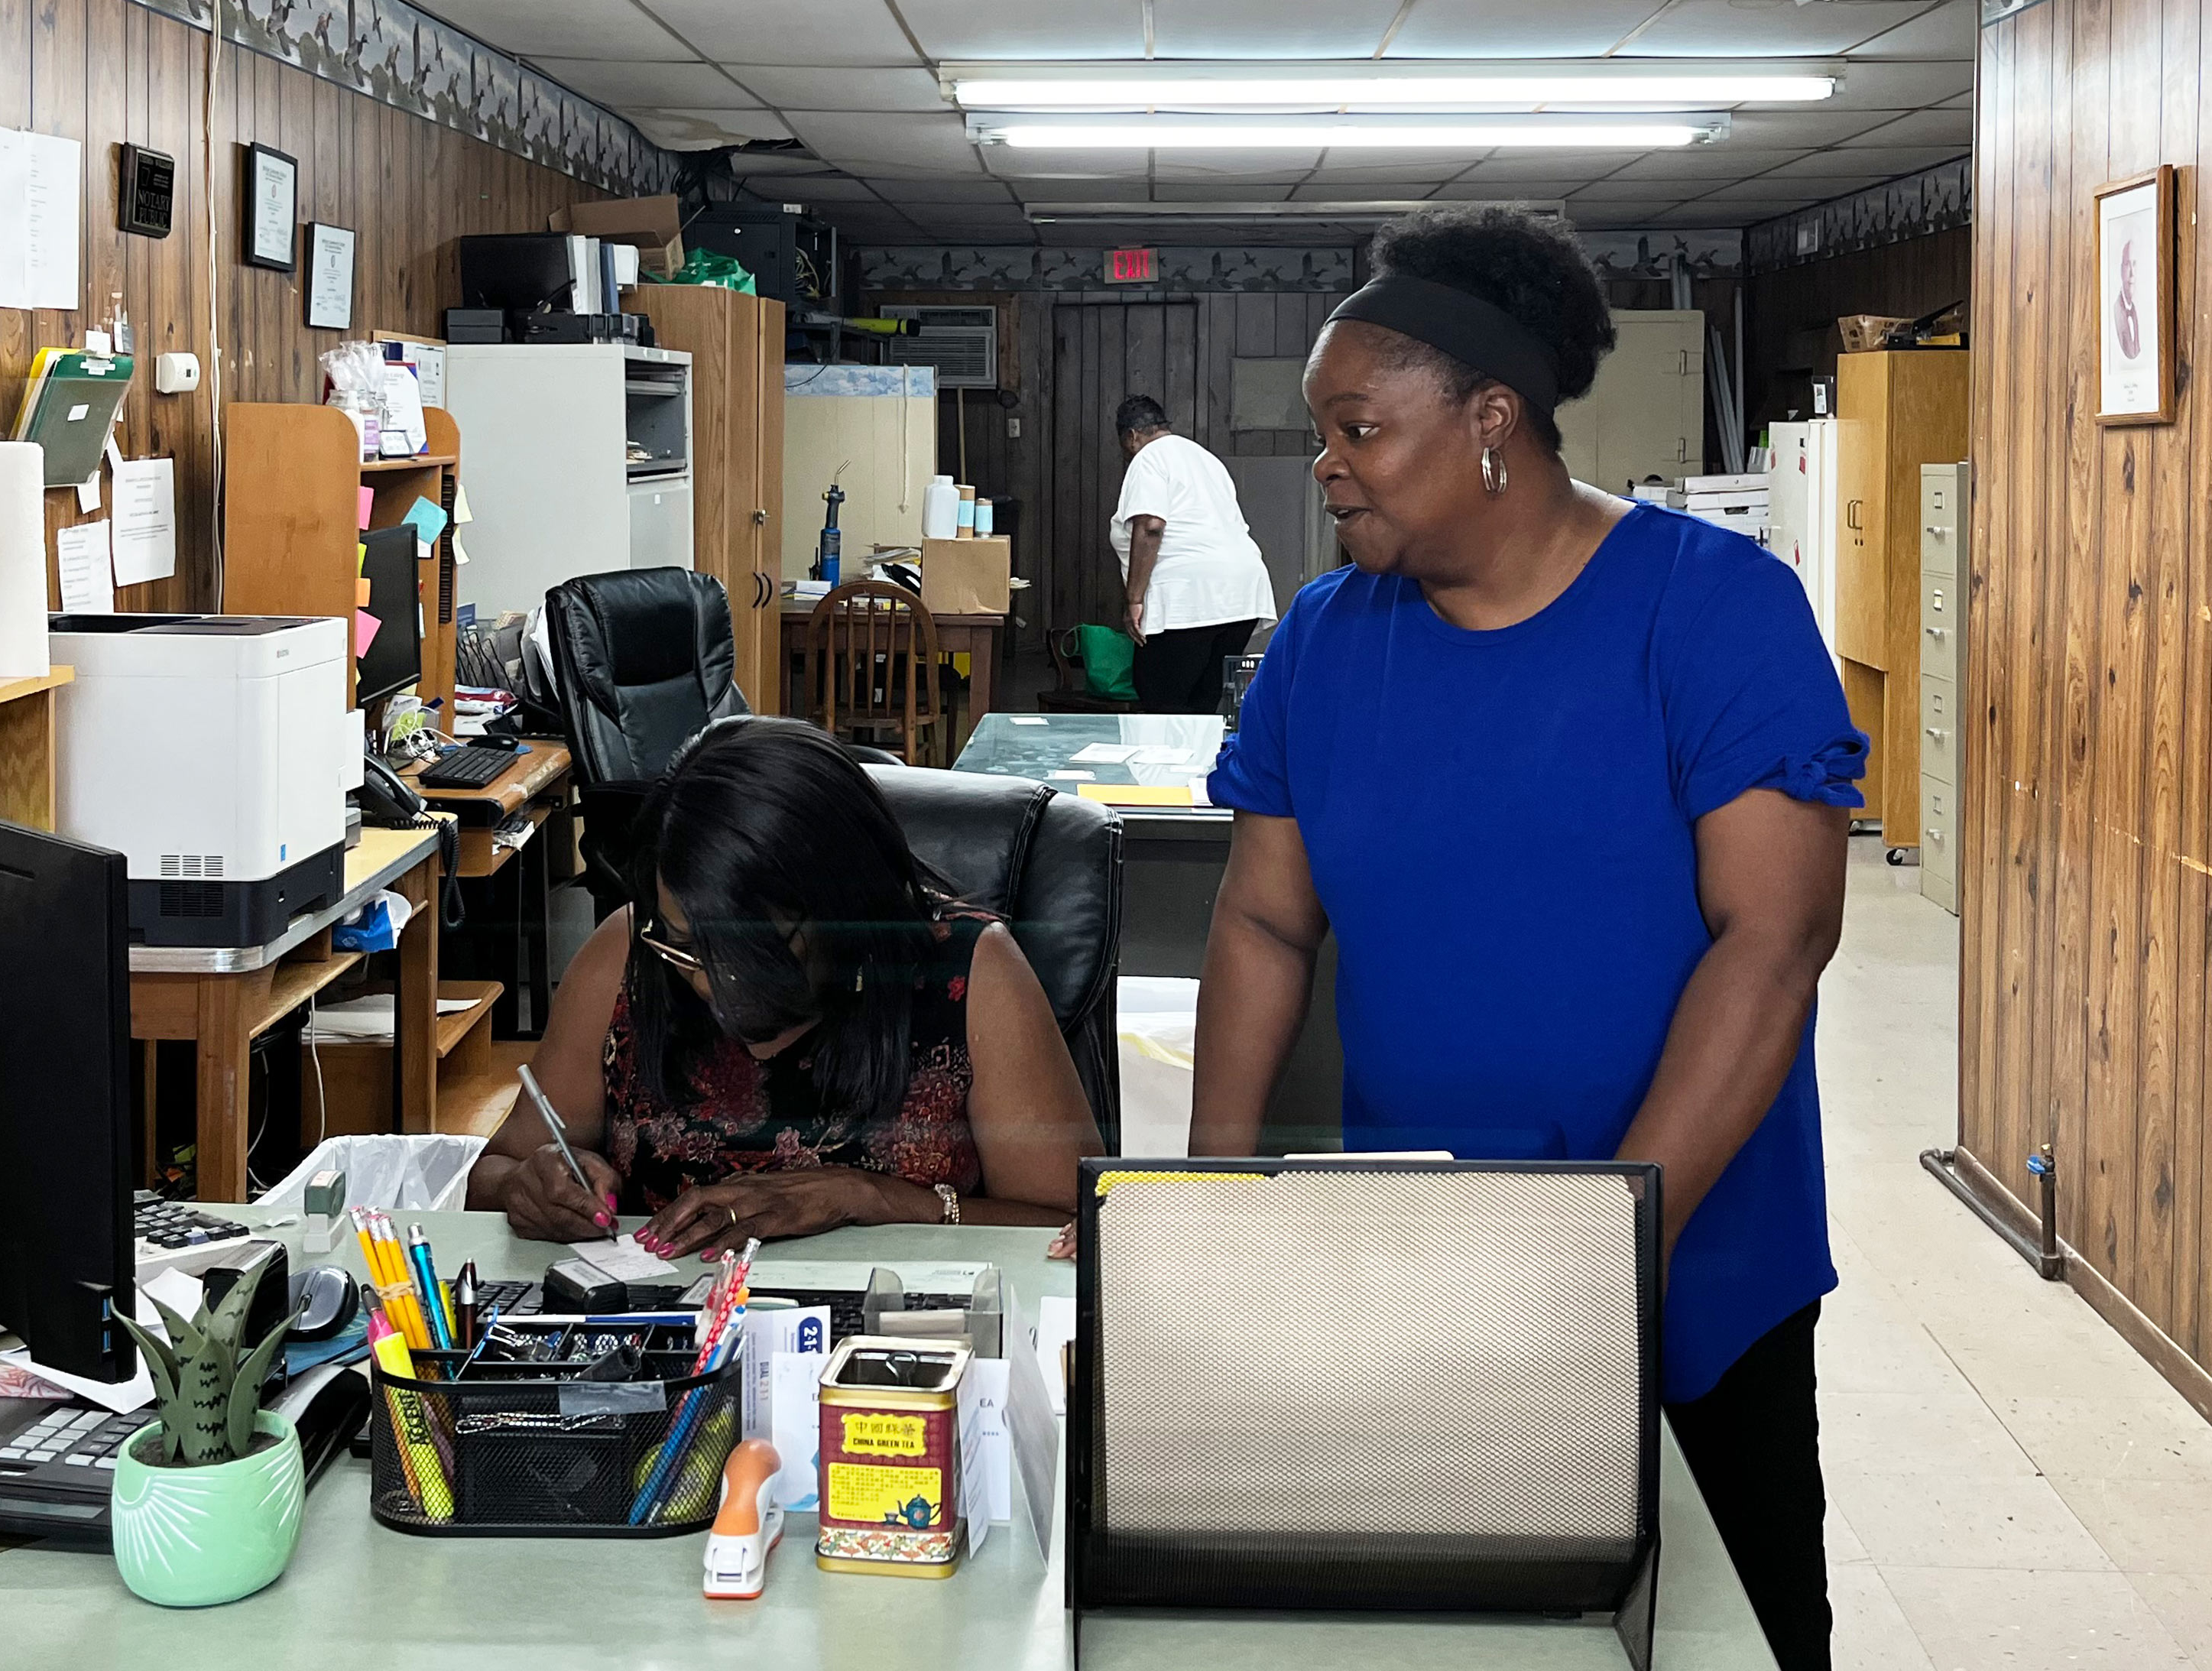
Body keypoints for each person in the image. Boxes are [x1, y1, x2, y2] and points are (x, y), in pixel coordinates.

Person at [1192, 207, 1860, 1671]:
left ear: (1490, 420)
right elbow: (1256, 917)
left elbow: (1773, 942)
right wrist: (1209, 1205)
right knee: (1458, 1632)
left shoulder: (1710, 611)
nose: (1326, 463)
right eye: (1323, 431)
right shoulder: (1322, 635)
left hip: (1691, 1267)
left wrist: (1610, 1249)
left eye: (1358, 427)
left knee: (1722, 1634)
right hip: (1417, 1266)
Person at [468, 715, 1103, 1259]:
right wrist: (527, 1186)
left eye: (754, 951)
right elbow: (492, 1174)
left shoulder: (969, 972)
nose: (712, 980)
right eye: (688, 946)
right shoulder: (628, 951)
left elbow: (1080, 1226)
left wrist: (870, 1198)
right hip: (670, 1348)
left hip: (898, 1348)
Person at [1109, 396, 1277, 713]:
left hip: (1188, 597)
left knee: (1161, 706)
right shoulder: (1206, 459)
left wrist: (1134, 599)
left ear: (1132, 436)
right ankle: (1199, 763)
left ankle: (1162, 765)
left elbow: (1151, 525)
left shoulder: (1149, 458)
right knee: (1201, 709)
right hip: (1241, 595)